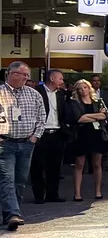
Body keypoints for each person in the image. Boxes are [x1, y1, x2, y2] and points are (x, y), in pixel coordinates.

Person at [0, 61, 46, 231]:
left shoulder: (34, 95)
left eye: (27, 75)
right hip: (5, 144)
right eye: (23, 74)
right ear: (11, 74)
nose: (27, 78)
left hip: (27, 143)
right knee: (7, 179)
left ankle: (12, 212)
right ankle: (13, 214)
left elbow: (42, 118)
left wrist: (35, 136)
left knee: (20, 180)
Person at [64, 80, 108, 202]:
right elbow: (78, 119)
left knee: (97, 164)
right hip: (81, 135)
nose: (83, 90)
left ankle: (98, 191)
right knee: (79, 164)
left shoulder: (98, 101)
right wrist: (95, 115)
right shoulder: (74, 102)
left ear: (89, 88)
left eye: (85, 87)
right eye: (79, 88)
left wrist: (88, 116)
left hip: (97, 134)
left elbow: (105, 116)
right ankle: (77, 193)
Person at [31, 69, 69, 204]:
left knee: (55, 166)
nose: (62, 81)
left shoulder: (61, 94)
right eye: (60, 79)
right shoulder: (37, 92)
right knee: (38, 166)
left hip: (57, 134)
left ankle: (53, 194)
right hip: (41, 135)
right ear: (52, 78)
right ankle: (39, 195)